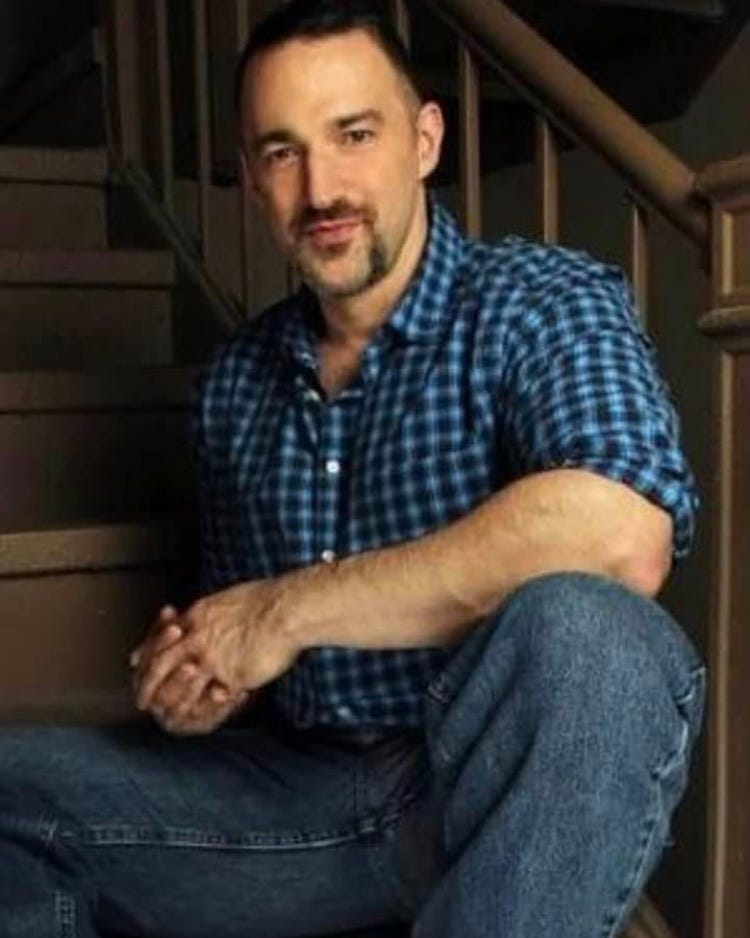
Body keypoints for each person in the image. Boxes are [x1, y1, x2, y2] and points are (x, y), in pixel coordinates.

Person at [0, 1, 705, 936]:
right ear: (253, 177)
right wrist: (209, 678)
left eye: (355, 134)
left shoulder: (542, 299)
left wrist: (284, 610)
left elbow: (621, 531)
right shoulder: (235, 386)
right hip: (305, 801)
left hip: (481, 782)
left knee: (595, 634)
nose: (321, 187)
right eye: (283, 152)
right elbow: (257, 653)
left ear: (424, 140)